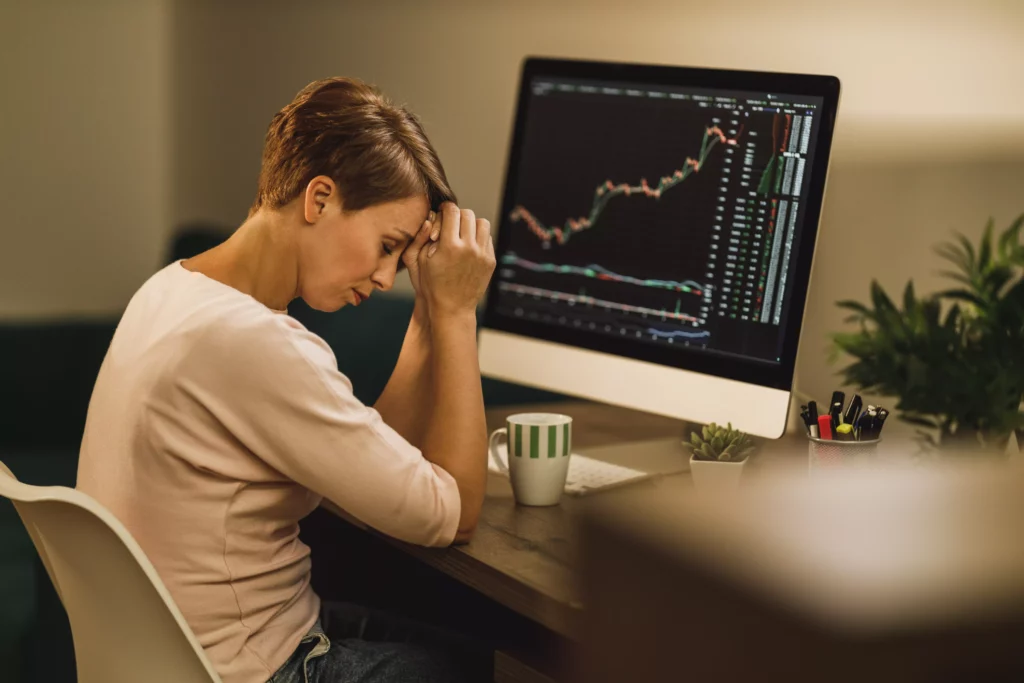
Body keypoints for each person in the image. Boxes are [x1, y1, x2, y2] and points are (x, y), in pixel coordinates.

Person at [76, 77, 497, 683]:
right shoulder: (257, 344)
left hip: (172, 655)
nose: (386, 277)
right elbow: (453, 516)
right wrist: (458, 314)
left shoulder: (170, 291)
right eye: (386, 246)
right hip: (245, 669)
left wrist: (430, 306)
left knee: (475, 645)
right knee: (495, 668)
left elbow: (378, 457)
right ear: (319, 199)